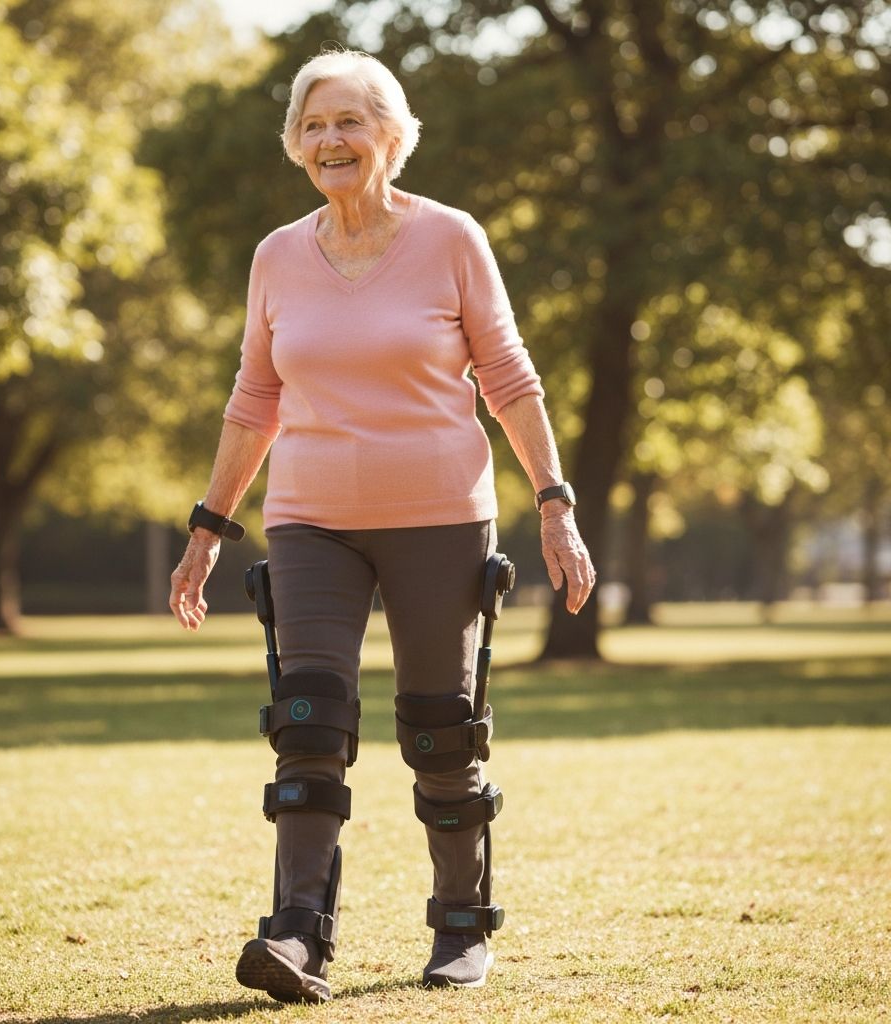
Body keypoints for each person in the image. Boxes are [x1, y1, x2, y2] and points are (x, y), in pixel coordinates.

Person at [168, 49, 595, 1003]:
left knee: (443, 732)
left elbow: (510, 378)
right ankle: (296, 939)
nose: (332, 139)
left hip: (440, 516)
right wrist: (209, 529)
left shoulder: (450, 239)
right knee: (307, 719)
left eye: (351, 121)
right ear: (296, 145)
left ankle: (459, 930)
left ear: (391, 137)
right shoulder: (277, 255)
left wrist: (555, 504)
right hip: (312, 518)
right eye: (314, 125)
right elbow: (255, 399)